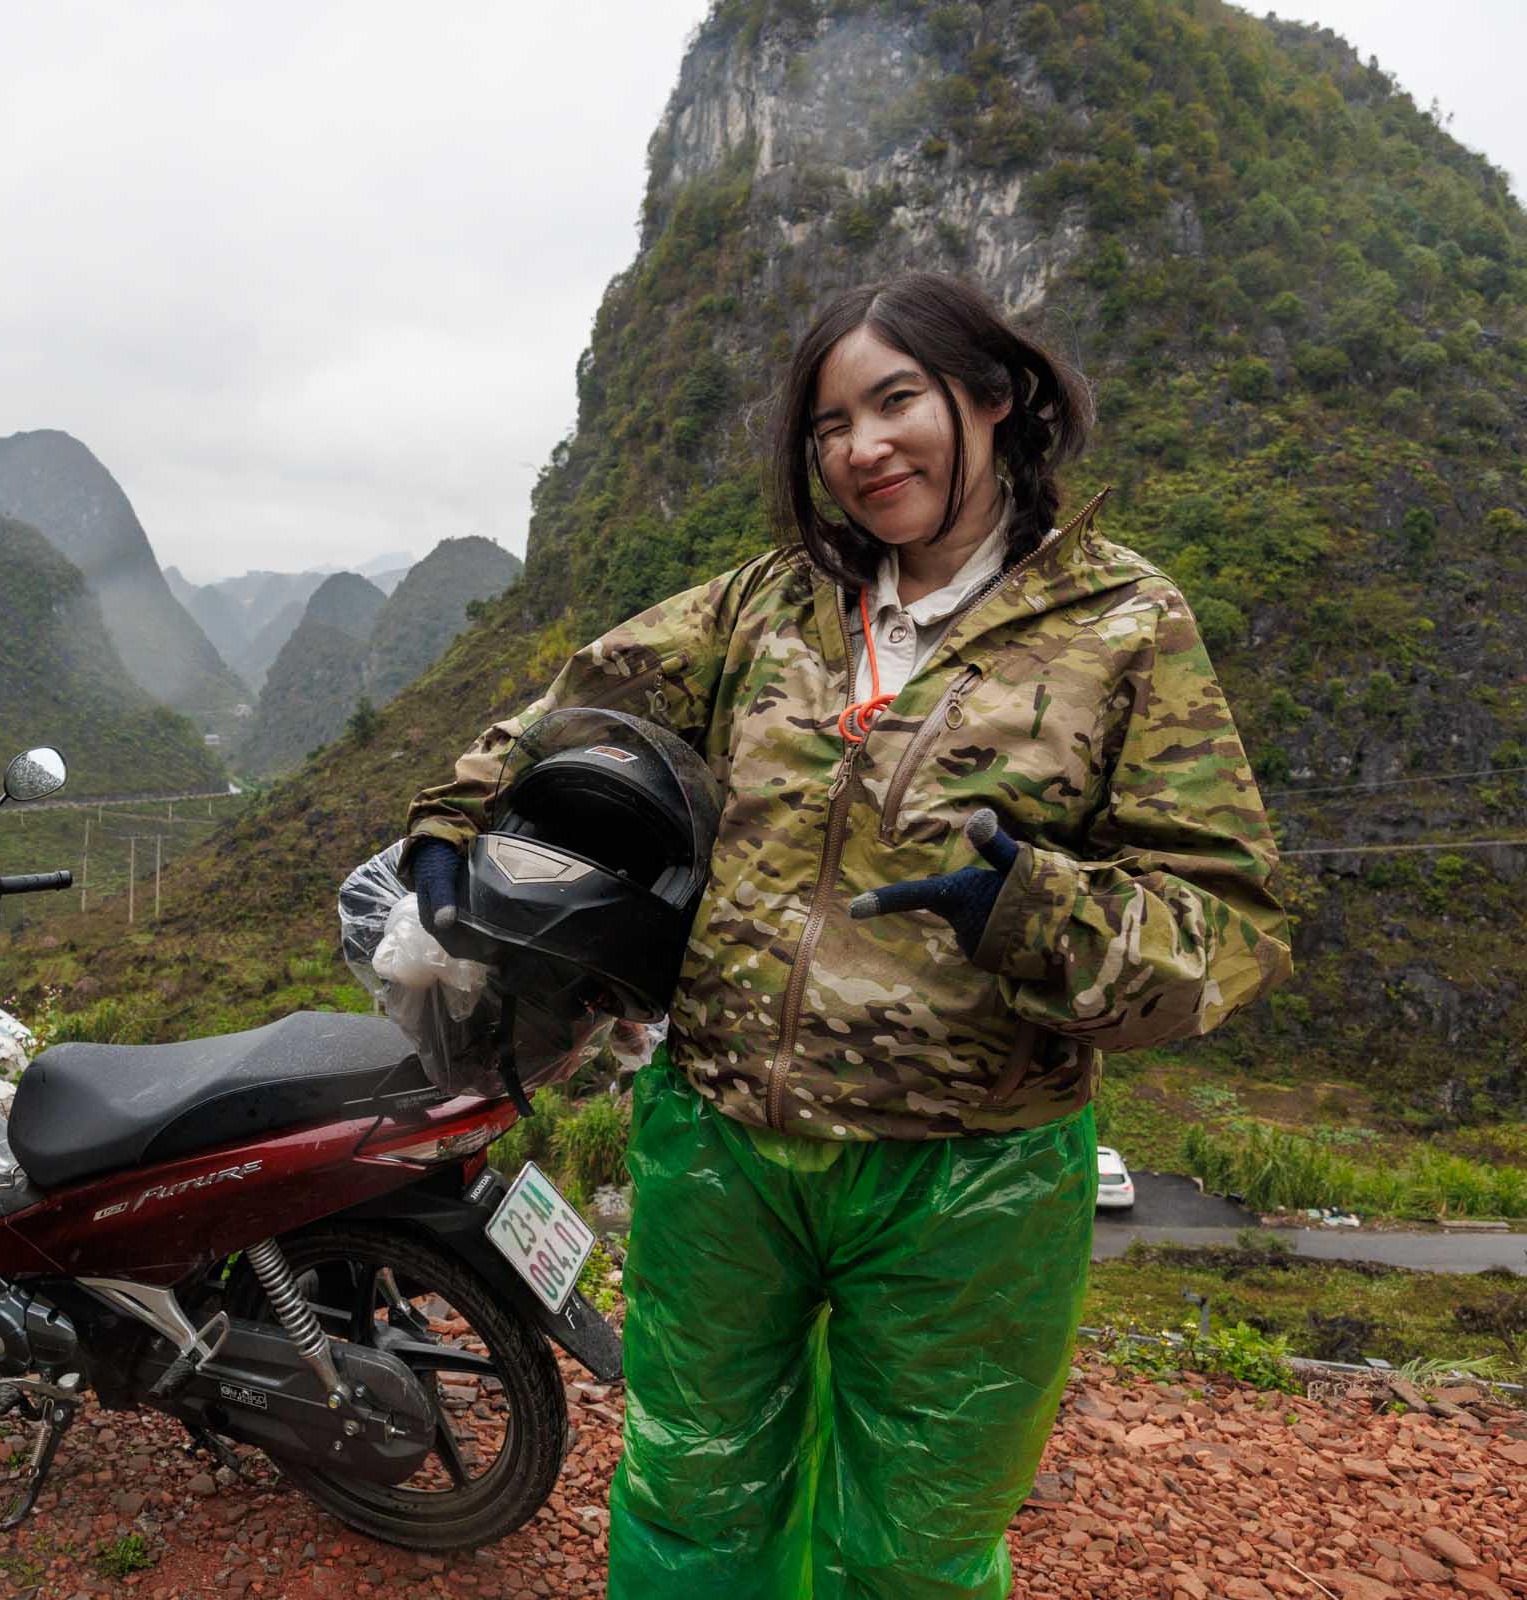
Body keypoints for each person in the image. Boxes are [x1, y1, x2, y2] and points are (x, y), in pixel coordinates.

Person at [402, 272, 1289, 1598]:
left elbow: (1227, 929)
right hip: (721, 1151)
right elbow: (576, 705)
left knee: (915, 1547)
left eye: (895, 402)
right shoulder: (773, 603)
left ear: (993, 399)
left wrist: (1035, 912)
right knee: (690, 1495)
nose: (862, 448)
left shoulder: (1122, 626)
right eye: (830, 425)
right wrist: (454, 815)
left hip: (967, 1183)